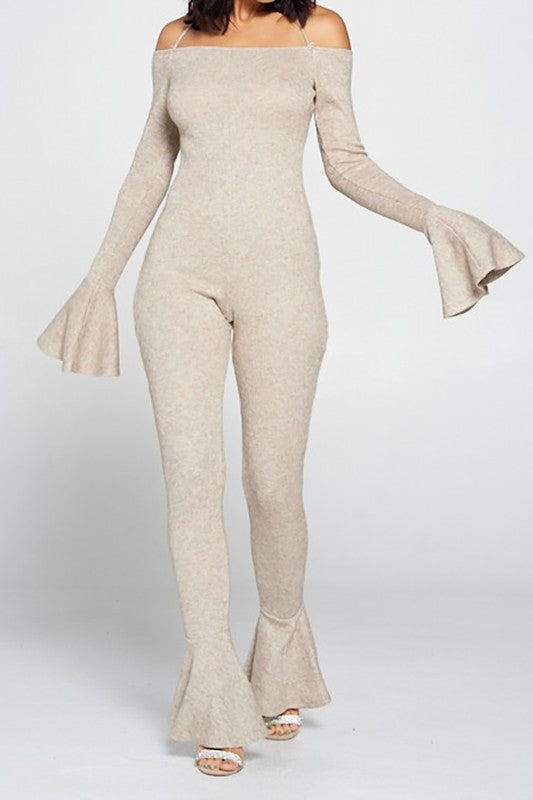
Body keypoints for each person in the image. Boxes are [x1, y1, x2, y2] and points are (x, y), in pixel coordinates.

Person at [36, 0, 525, 778]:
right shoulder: (177, 39)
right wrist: (99, 280)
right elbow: (151, 164)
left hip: (281, 279)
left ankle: (281, 658)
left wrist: (434, 218)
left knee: (270, 481)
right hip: (176, 279)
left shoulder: (318, 32)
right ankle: (215, 694)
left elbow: (346, 162)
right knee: (191, 481)